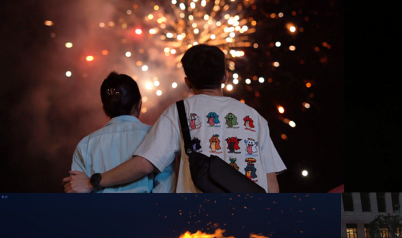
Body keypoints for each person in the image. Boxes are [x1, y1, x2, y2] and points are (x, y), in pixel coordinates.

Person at [64, 44, 286, 193]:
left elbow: (144, 164)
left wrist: (95, 181)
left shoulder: (178, 112)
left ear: (187, 81)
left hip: (199, 224)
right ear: (225, 77)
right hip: (250, 218)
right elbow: (271, 180)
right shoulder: (254, 118)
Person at [67, 72, 175, 193]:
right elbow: (165, 189)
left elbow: (77, 192)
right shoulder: (157, 136)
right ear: (139, 104)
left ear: (104, 109)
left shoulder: (85, 144)